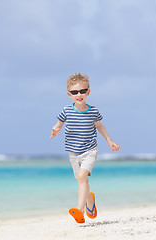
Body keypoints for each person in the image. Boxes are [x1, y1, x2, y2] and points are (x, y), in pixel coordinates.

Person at [49, 73, 120, 224]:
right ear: (69, 95)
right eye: (75, 92)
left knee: (82, 177)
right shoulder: (67, 111)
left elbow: (99, 126)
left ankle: (79, 211)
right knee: (82, 181)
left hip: (89, 150)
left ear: (88, 92)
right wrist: (55, 130)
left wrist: (109, 141)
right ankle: (90, 203)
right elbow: (59, 123)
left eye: (82, 91)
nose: (79, 95)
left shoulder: (93, 111)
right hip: (73, 153)